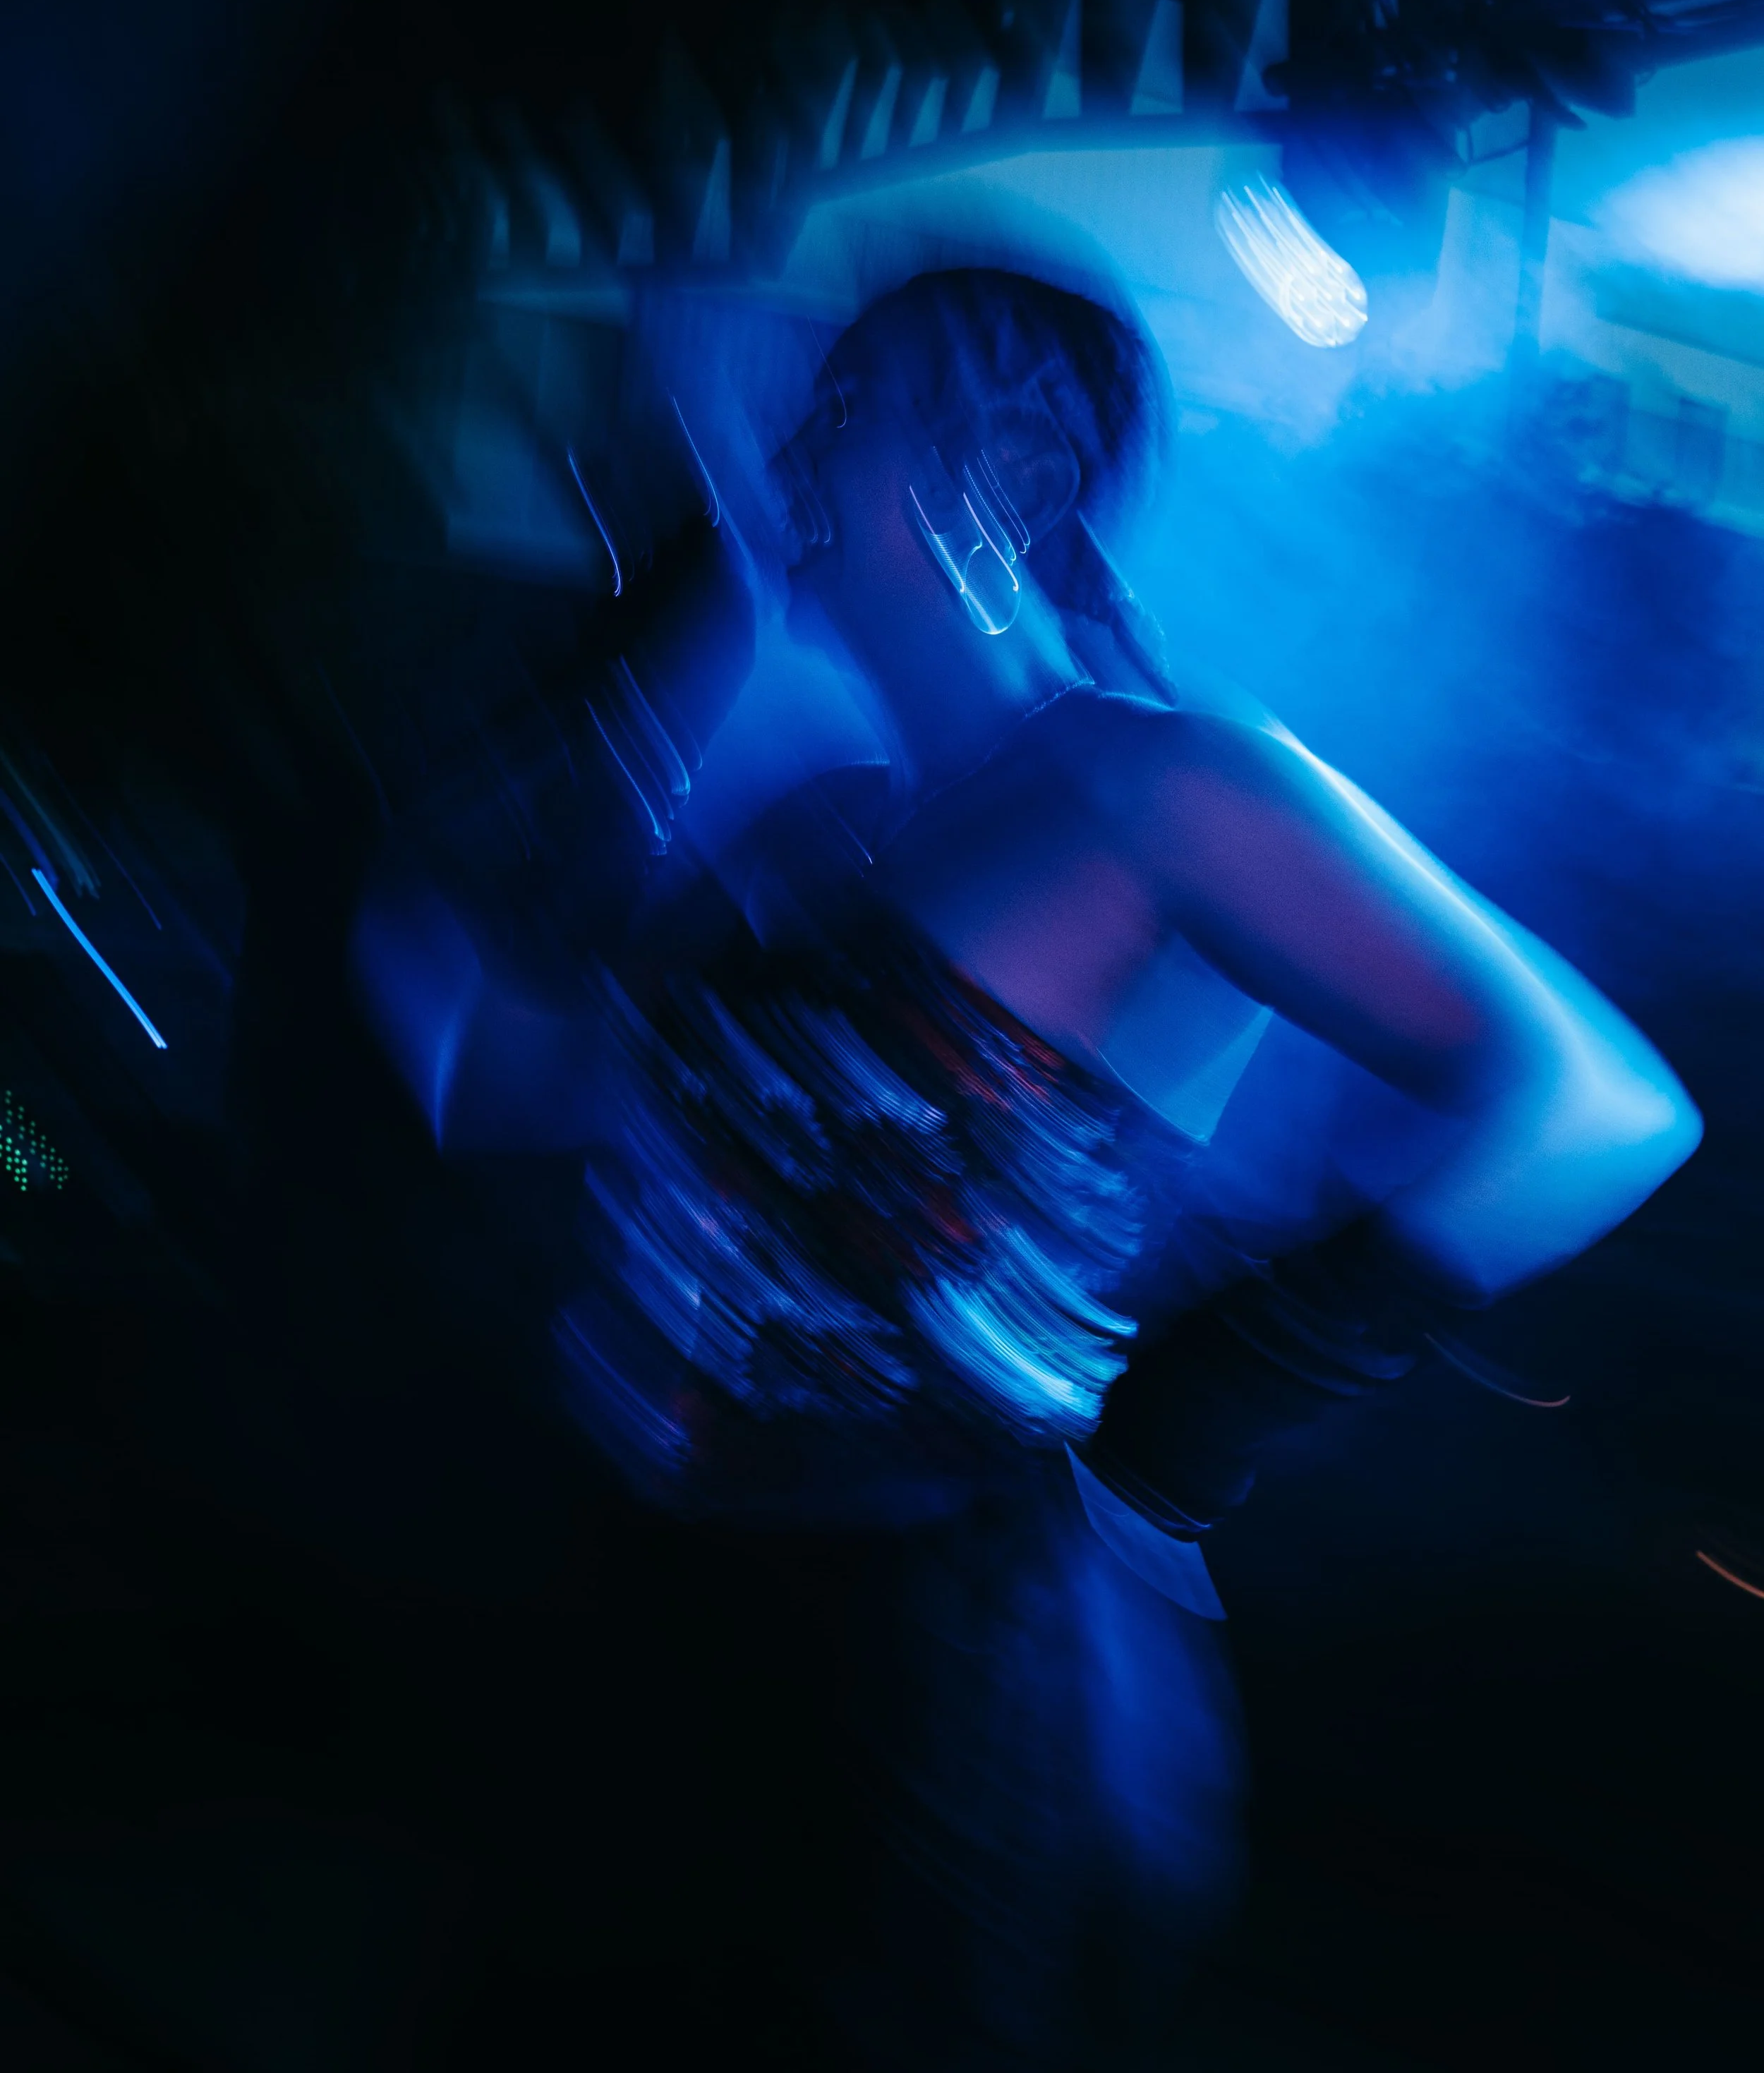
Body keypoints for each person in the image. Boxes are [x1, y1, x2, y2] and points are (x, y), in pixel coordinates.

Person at [351, 262, 1702, 2067]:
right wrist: (699, 603)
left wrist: (1190, 1426)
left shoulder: (1154, 790)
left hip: (902, 1678)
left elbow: (1588, 1102)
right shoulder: (823, 825)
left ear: (1011, 476)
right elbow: (487, 1059)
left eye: (855, 409)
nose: (797, 446)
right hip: (647, 1614)